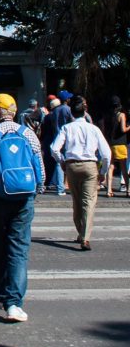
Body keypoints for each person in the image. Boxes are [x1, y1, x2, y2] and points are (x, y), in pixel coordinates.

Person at [0, 93, 46, 323]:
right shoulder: (28, 133)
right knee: (19, 249)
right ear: (13, 113)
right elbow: (39, 168)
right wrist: (37, 190)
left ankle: (2, 294)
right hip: (23, 198)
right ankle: (14, 303)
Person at [50, 95, 110, 252]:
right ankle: (85, 237)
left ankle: (80, 231)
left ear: (71, 113)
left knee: (76, 201)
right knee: (88, 202)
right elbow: (106, 154)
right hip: (90, 166)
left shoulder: (66, 128)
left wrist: (62, 161)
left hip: (71, 166)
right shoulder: (94, 129)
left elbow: (54, 148)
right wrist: (103, 171)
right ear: (85, 112)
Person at [40, 98, 65, 195]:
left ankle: (47, 183)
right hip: (56, 140)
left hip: (47, 141)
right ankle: (58, 184)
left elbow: (43, 130)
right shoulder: (58, 115)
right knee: (57, 163)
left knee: (48, 163)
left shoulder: (47, 117)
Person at [105, 96, 129, 196]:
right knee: (123, 168)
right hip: (120, 143)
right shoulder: (121, 115)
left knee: (111, 166)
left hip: (110, 143)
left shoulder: (108, 115)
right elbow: (123, 129)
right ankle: (128, 189)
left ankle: (109, 190)